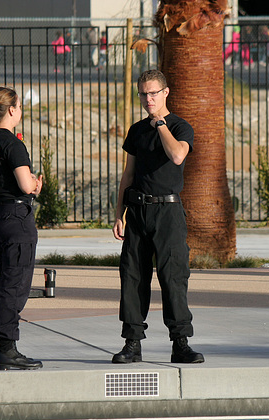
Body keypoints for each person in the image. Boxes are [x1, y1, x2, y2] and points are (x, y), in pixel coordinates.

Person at [111, 70, 204, 365]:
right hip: (138, 211)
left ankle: (180, 343)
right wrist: (118, 214)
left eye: (153, 93)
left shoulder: (180, 126)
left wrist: (161, 125)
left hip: (169, 212)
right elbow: (128, 174)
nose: (148, 99)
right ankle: (132, 343)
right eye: (143, 94)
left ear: (166, 92)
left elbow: (177, 156)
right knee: (133, 277)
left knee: (173, 277)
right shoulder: (136, 131)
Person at [0, 87, 44, 371]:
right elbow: (26, 185)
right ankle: (8, 348)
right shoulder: (13, 144)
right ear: (13, 110)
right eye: (20, 106)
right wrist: (36, 184)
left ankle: (3, 346)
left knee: (4, 282)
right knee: (14, 286)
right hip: (17, 217)